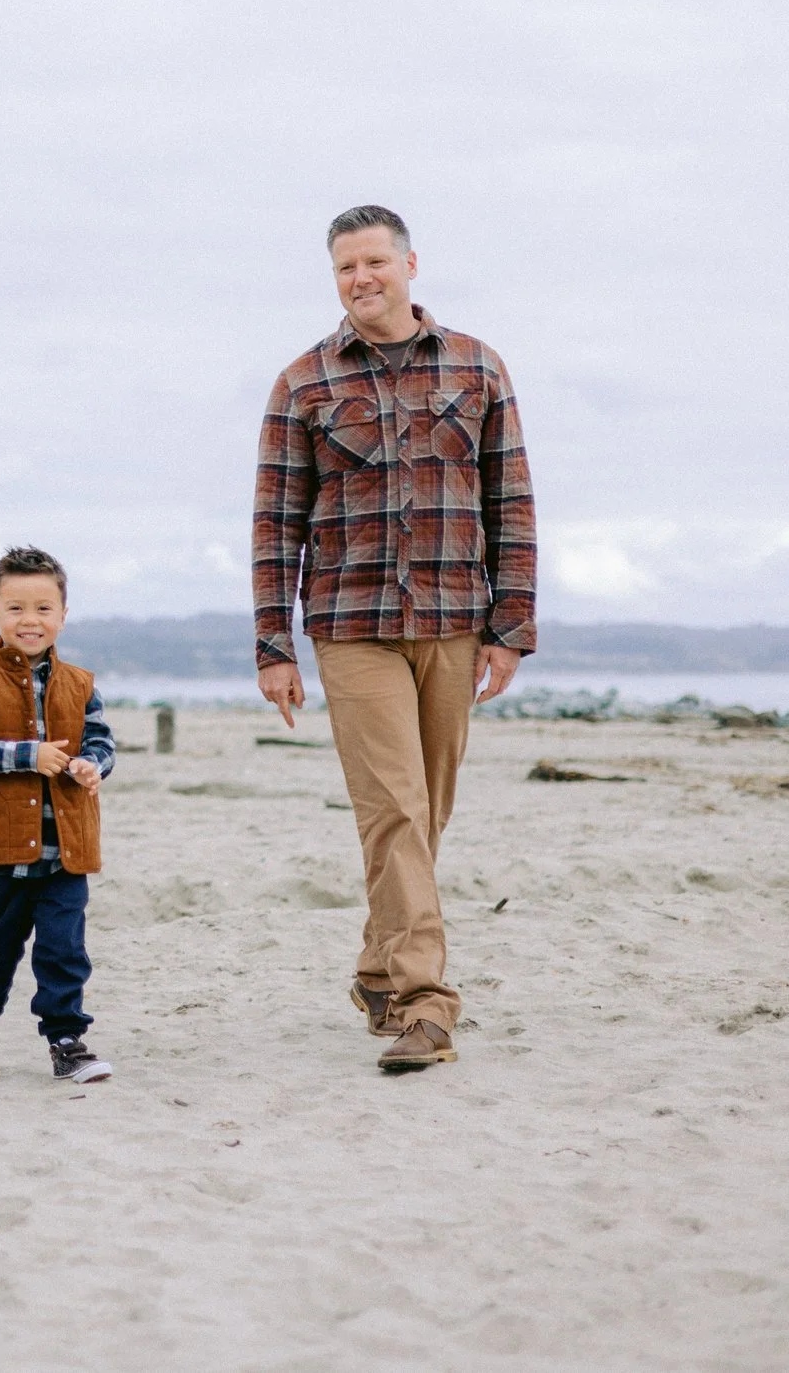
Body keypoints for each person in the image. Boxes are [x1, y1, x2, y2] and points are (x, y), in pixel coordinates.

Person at [252, 205, 536, 1073]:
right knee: (395, 811)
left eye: (374, 261)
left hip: (456, 619)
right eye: (345, 268)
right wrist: (274, 645)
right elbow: (275, 523)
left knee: (424, 815)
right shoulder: (302, 383)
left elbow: (511, 502)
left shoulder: (478, 366)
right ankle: (425, 1003)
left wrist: (512, 627)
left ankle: (379, 968)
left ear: (411, 264)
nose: (361, 278)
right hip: (350, 624)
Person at [0, 546, 117, 1084]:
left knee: (64, 951)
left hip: (65, 851)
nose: (30, 620)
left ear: (62, 615)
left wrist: (92, 767)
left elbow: (104, 744)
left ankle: (66, 1039)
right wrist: (27, 754)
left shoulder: (81, 683)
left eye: (43, 608)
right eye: (15, 608)